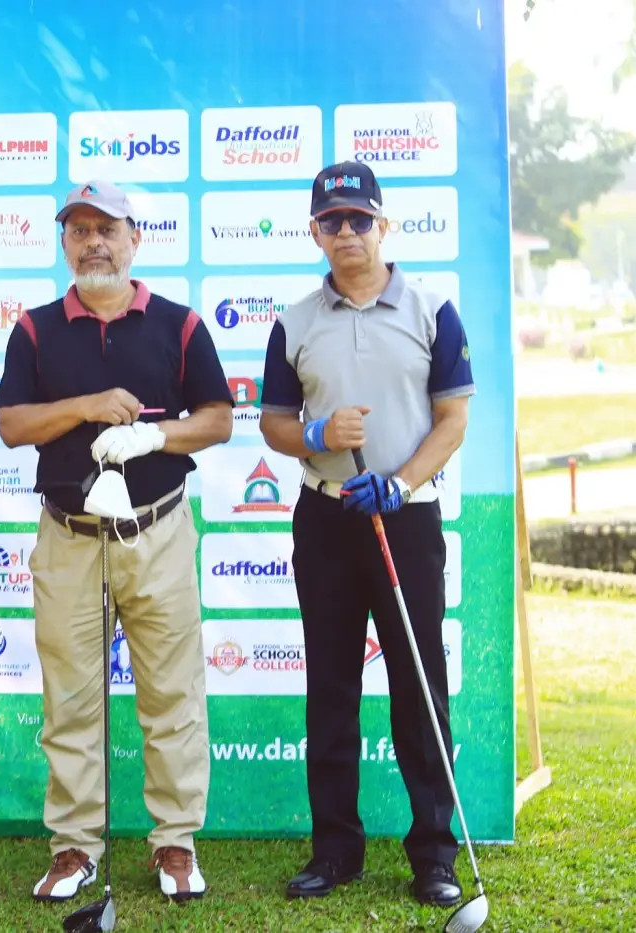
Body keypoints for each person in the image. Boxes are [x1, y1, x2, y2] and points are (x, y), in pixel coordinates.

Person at [0, 180, 233, 905]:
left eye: (108, 229)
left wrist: (156, 436)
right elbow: (12, 424)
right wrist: (86, 407)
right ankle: (75, 846)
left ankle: (175, 841)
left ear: (135, 239)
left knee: (173, 694)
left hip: (157, 530)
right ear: (65, 242)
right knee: (70, 700)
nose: (94, 241)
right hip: (69, 536)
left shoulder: (179, 324)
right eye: (80, 230)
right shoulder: (35, 329)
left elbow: (219, 418)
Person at [259, 160, 473, 907]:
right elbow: (275, 424)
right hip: (325, 517)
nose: (345, 231)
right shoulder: (294, 320)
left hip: (403, 517)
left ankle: (434, 853)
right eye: (331, 221)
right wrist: (316, 433)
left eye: (358, 218)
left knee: (418, 685)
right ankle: (336, 851)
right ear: (315, 232)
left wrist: (402, 481)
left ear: (384, 225)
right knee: (331, 687)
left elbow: (453, 419)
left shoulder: (432, 309)